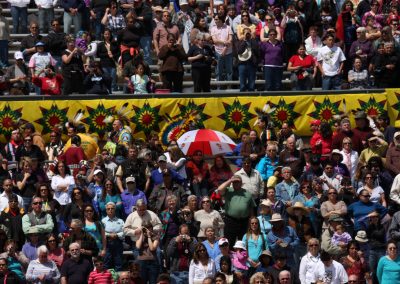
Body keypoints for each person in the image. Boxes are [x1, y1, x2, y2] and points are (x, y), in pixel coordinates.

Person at [217, 175, 256, 247]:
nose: (236, 183)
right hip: (230, 221)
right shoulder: (228, 191)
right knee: (229, 242)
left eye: (238, 182)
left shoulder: (247, 193)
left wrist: (251, 221)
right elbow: (219, 189)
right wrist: (230, 180)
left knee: (243, 242)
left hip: (244, 221)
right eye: (234, 182)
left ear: (241, 183)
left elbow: (251, 209)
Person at [210, 14, 233, 84]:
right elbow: (215, 41)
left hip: (228, 51)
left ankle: (229, 87)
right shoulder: (213, 29)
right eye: (215, 19)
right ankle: (219, 88)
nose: (215, 20)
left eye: (216, 19)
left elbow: (231, 39)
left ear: (221, 19)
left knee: (229, 71)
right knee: (218, 71)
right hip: (218, 52)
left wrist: (225, 48)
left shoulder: (228, 27)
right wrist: (225, 42)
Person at [236, 27, 260, 92]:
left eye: (248, 33)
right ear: (243, 34)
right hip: (242, 64)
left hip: (251, 63)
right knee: (242, 84)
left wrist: (252, 39)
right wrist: (244, 41)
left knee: (251, 84)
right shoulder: (239, 42)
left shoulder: (254, 41)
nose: (247, 35)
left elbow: (257, 51)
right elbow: (239, 51)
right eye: (246, 33)